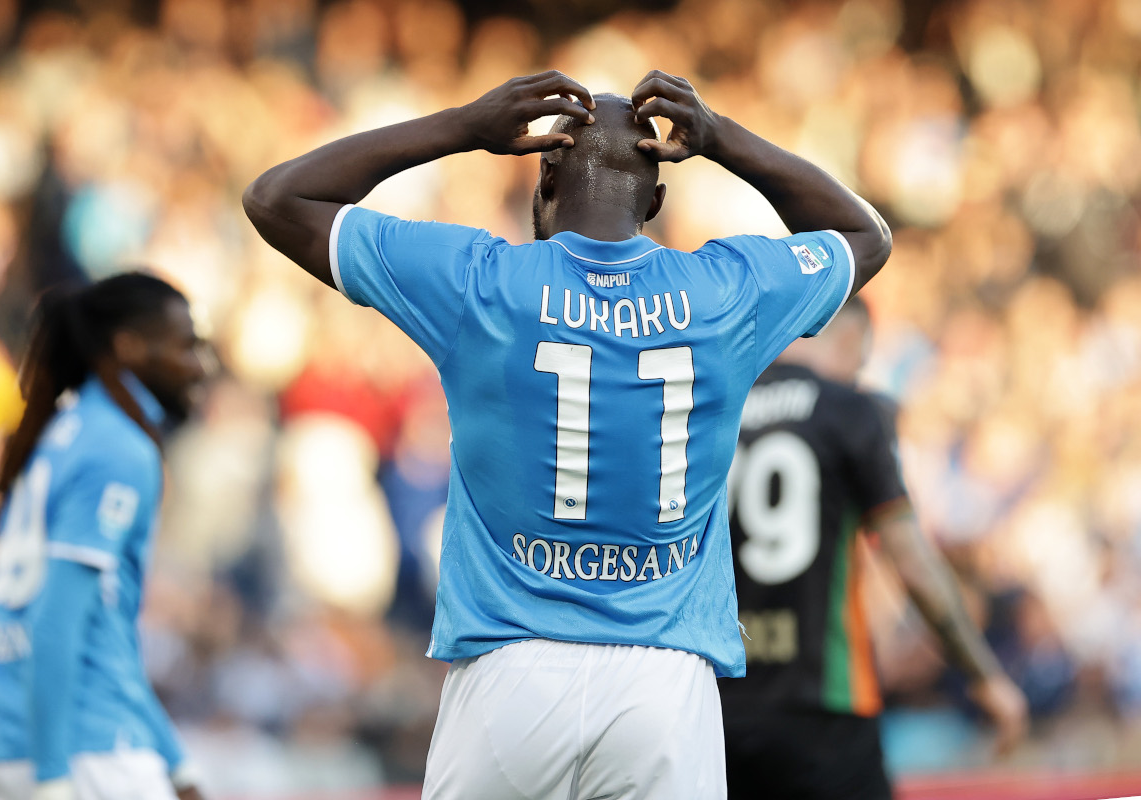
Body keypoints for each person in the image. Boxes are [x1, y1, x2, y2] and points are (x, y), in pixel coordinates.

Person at [243, 69, 892, 799]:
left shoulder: (478, 282)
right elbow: (864, 234)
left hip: (508, 676)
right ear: (656, 199)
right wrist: (722, 139)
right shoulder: (726, 291)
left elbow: (277, 198)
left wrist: (461, 126)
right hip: (664, 683)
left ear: (544, 177)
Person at [718, 296, 1029, 799]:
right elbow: (910, 560)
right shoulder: (850, 410)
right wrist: (984, 676)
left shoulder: (721, 411)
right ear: (850, 338)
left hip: (723, 704)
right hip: (826, 705)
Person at [0, 272, 208, 800]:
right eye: (186, 346)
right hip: (81, 750)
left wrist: (176, 761)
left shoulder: (62, 432)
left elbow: (101, 634)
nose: (199, 365)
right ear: (129, 345)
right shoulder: (117, 448)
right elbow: (56, 618)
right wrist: (52, 776)